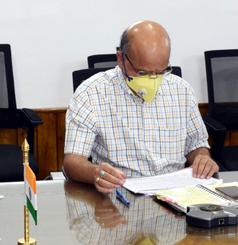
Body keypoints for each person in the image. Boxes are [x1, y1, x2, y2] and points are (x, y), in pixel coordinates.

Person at [64, 21, 218, 193]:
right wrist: (96, 173)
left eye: (160, 72)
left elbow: (196, 145)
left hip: (176, 194)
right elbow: (73, 162)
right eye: (142, 73)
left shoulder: (182, 90)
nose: (153, 80)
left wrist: (202, 158)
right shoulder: (91, 93)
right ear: (121, 59)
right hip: (120, 194)